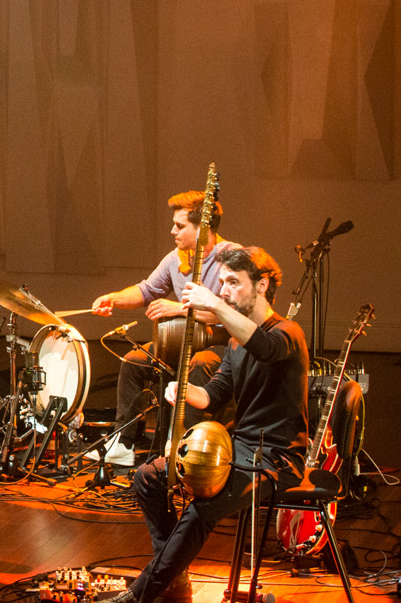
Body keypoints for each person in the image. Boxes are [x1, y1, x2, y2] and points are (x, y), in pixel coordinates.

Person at [111, 245, 309, 603]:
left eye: (234, 282)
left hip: (277, 459)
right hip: (240, 449)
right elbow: (215, 395)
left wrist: (215, 306)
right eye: (224, 283)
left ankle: (140, 594)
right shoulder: (235, 343)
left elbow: (264, 347)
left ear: (262, 285)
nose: (224, 291)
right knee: (148, 477)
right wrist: (185, 390)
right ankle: (174, 572)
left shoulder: (288, 333)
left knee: (201, 507)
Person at [89, 191, 232, 466]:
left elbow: (233, 312)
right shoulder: (177, 257)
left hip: (220, 346)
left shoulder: (231, 258)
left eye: (180, 226)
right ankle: (123, 444)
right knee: (133, 362)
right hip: (182, 343)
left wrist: (180, 309)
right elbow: (146, 290)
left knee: (199, 364)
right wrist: (113, 298)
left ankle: (180, 447)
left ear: (202, 229)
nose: (172, 231)